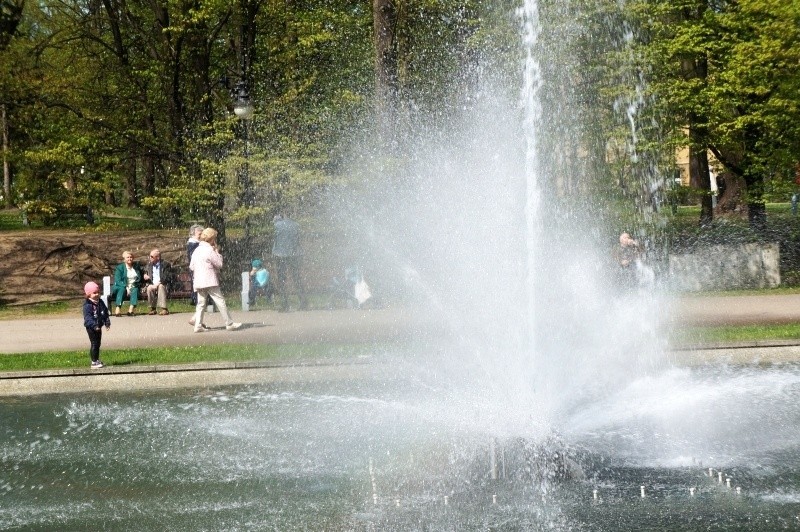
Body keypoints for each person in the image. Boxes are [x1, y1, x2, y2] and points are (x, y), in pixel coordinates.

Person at [189, 227, 242, 332]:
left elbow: (191, 266)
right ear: (212, 239)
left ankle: (198, 325)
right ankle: (229, 323)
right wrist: (217, 252)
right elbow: (219, 264)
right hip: (209, 280)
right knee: (220, 301)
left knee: (201, 304)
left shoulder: (197, 250)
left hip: (199, 281)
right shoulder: (209, 250)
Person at [272, 214, 307, 311]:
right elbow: (297, 239)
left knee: (282, 280)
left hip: (280, 254)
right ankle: (303, 302)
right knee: (296, 278)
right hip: (294, 254)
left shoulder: (276, 225)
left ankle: (285, 304)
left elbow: (275, 239)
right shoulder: (295, 225)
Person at [83, 281, 111, 369]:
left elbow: (105, 312)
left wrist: (107, 322)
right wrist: (94, 326)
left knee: (98, 343)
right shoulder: (88, 305)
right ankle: (94, 362)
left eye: (98, 292)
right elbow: (88, 318)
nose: (97, 294)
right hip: (91, 327)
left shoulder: (100, 302)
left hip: (98, 326)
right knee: (94, 343)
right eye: (94, 293)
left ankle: (97, 359)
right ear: (88, 294)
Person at [112, 250, 143, 316]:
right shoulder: (120, 268)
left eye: (131, 257)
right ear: (124, 259)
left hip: (133, 286)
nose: (129, 259)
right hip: (121, 286)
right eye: (127, 257)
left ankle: (130, 310)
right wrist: (126, 287)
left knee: (135, 289)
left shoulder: (136, 267)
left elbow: (140, 276)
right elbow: (118, 280)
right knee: (122, 289)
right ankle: (117, 309)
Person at [143, 248, 173, 315]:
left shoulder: (165, 264)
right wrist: (145, 275)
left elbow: (166, 277)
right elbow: (145, 271)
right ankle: (152, 308)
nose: (149, 258)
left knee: (161, 286)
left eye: (151, 256)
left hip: (163, 284)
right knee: (149, 288)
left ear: (157, 257)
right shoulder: (149, 265)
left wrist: (157, 284)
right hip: (152, 284)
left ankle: (164, 309)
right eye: (150, 256)